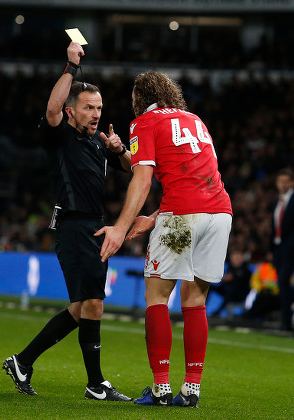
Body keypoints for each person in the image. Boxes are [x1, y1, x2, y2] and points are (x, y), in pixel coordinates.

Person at [2, 41, 132, 402]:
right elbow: (52, 107)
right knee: (93, 304)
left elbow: (132, 169)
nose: (95, 113)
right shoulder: (60, 136)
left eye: (99, 107)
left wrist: (119, 148)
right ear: (72, 112)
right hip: (75, 225)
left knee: (81, 308)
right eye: (88, 107)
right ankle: (96, 384)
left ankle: (23, 361)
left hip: (95, 225)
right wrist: (71, 67)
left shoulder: (98, 142)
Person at [95, 70, 232, 408]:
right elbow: (194, 178)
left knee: (157, 297)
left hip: (182, 217)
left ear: (138, 99)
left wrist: (120, 225)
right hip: (219, 213)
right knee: (195, 300)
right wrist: (155, 217)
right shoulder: (194, 120)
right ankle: (191, 390)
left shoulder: (144, 122)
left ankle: (160, 389)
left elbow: (143, 181)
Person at [271, 168, 294, 331]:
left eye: (286, 181)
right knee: (282, 284)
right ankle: (285, 320)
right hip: (279, 249)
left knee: (284, 282)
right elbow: (275, 227)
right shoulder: (277, 202)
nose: (283, 184)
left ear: (292, 183)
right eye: (280, 181)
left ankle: (286, 321)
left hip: (291, 249)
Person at [209, 250, 251, 317]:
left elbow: (243, 284)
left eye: (238, 257)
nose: (236, 259)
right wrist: (224, 280)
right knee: (211, 287)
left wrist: (233, 278)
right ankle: (202, 307)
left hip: (241, 294)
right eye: (234, 256)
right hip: (228, 291)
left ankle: (218, 312)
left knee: (232, 290)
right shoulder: (229, 267)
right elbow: (224, 282)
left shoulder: (246, 268)